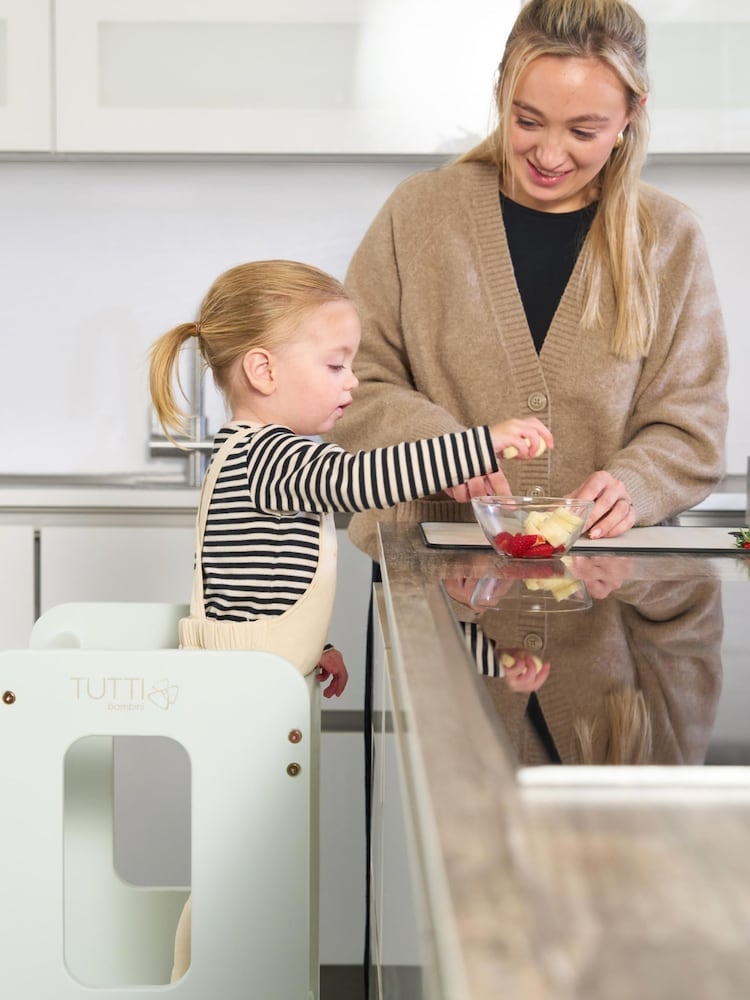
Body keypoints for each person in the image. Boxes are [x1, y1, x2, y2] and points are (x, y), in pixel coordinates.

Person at [147, 258, 553, 980]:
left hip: (255, 690)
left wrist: (316, 648)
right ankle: (200, 983)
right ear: (264, 371)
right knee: (234, 867)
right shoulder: (272, 457)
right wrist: (482, 441)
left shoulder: (260, 458)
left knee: (249, 861)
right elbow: (361, 480)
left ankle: (230, 980)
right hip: (241, 704)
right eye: (336, 365)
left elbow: (259, 585)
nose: (353, 383)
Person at [328, 0, 729, 563]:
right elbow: (352, 384)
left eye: (583, 131)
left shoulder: (669, 238)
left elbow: (692, 426)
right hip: (431, 582)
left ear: (630, 115)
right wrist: (446, 452)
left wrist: (636, 484)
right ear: (501, 93)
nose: (548, 154)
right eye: (528, 120)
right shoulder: (417, 213)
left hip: (606, 597)